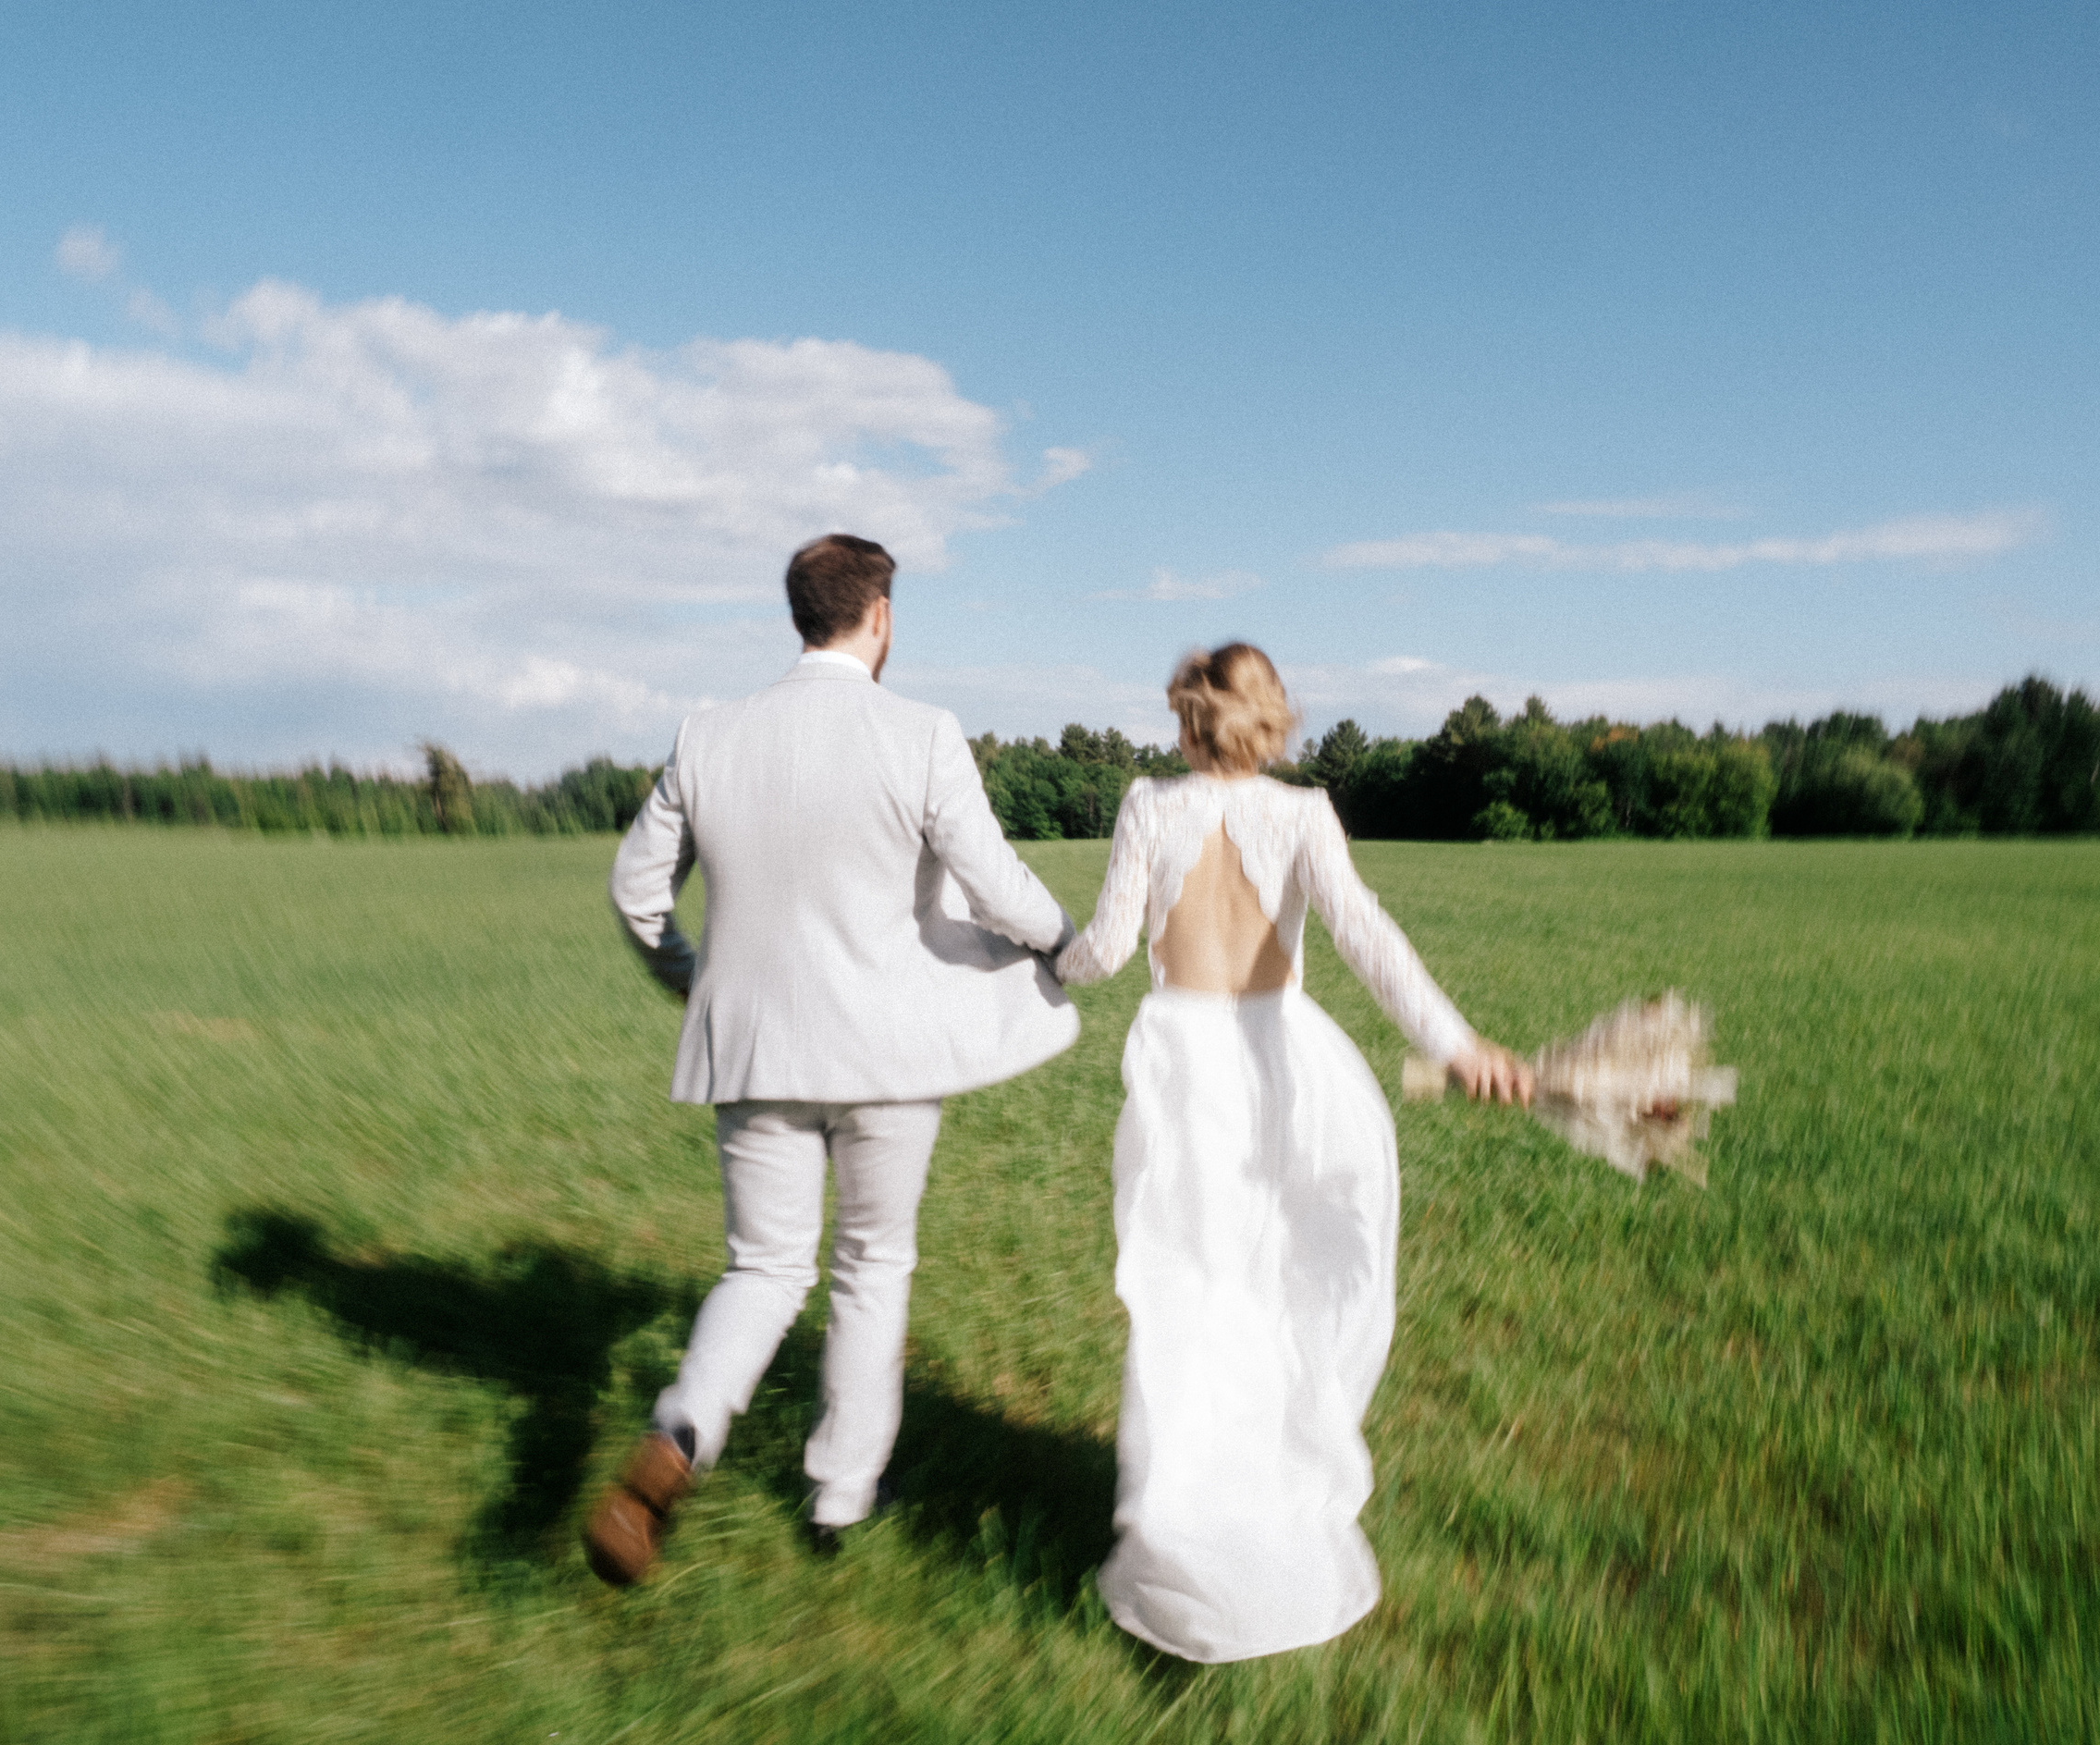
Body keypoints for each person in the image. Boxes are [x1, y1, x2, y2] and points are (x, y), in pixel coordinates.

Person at [583, 534, 1080, 1586]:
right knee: (871, 1266)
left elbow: (636, 891)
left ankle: (676, 1439)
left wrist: (692, 977)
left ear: (800, 615)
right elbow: (995, 884)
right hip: (889, 1059)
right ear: (881, 615)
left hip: (753, 1050)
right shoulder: (922, 733)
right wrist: (1063, 941)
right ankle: (842, 1496)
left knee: (762, 1267)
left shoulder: (709, 734)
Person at [1054, 642, 1529, 1663]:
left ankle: (1184, 1536)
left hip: (1185, 1071)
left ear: (1188, 719)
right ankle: (1260, 1508)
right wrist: (1458, 1045)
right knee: (1272, 1293)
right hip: (1284, 1065)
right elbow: (1368, 938)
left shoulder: (1149, 804)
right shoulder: (1305, 813)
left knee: (1186, 1293)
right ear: (1271, 720)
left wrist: (1038, 955)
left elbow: (1100, 951)